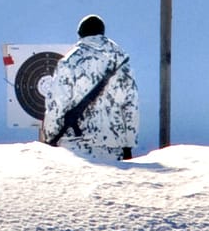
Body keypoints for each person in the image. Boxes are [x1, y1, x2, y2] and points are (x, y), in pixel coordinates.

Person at [41, 14, 139, 161]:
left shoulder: (69, 61)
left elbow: (56, 104)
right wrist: (128, 145)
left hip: (75, 146)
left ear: (80, 34)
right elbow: (131, 106)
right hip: (113, 147)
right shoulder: (121, 62)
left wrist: (50, 137)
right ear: (102, 33)